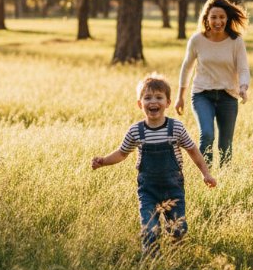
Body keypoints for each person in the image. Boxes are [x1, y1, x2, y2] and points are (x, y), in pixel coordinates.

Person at [92, 73, 216, 255]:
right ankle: (151, 260)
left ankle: (177, 258)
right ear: (139, 103)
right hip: (148, 190)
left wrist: (206, 173)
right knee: (150, 230)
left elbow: (193, 150)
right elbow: (122, 153)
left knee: (178, 229)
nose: (153, 102)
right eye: (147, 97)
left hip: (173, 188)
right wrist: (104, 161)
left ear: (167, 103)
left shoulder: (176, 128)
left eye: (159, 97)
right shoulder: (136, 131)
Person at [175, 0, 251, 167]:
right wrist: (180, 97)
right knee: (207, 134)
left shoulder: (236, 41)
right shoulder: (197, 40)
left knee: (226, 143)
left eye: (222, 17)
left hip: (228, 96)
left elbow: (243, 69)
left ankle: (224, 177)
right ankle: (206, 174)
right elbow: (186, 68)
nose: (218, 21)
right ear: (206, 19)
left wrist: (244, 87)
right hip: (202, 94)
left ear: (228, 18)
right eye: (214, 17)